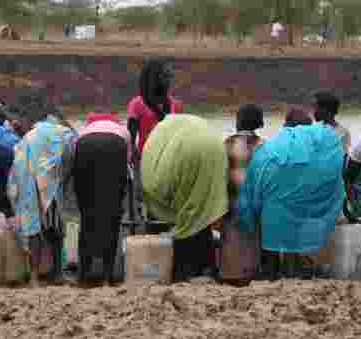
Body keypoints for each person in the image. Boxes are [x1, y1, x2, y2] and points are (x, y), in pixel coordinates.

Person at [238, 120, 345, 280]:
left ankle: (272, 275)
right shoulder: (317, 150)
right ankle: (293, 272)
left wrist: (257, 204)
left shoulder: (271, 148)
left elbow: (257, 180)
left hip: (272, 207)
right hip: (297, 207)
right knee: (293, 244)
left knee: (271, 247)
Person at [140, 114, 228, 282]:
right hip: (213, 149)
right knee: (200, 215)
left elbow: (153, 177)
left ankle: (184, 271)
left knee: (187, 220)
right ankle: (203, 268)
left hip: (183, 158)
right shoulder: (187, 128)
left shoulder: (162, 134)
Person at [7, 96, 78, 285]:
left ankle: (34, 277)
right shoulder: (64, 132)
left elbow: (18, 164)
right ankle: (58, 273)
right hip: (51, 186)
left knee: (34, 231)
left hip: (30, 184)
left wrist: (18, 192)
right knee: (56, 230)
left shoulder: (29, 136)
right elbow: (72, 155)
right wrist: (64, 180)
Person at [73, 112, 130, 285]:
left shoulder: (84, 131)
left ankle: (83, 275)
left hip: (85, 146)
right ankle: (106, 276)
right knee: (111, 216)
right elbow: (127, 166)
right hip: (115, 146)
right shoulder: (122, 131)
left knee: (87, 215)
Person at [221, 104, 265, 285]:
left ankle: (232, 273)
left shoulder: (226, 144)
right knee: (253, 240)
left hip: (231, 200)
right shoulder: (264, 145)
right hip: (256, 202)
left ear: (239, 121)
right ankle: (252, 272)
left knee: (232, 240)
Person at [127, 59, 182, 159]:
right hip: (145, 155)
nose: (169, 81)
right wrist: (132, 150)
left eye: (170, 77)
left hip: (167, 156)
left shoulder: (174, 104)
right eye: (165, 76)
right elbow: (132, 131)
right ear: (155, 78)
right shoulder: (137, 104)